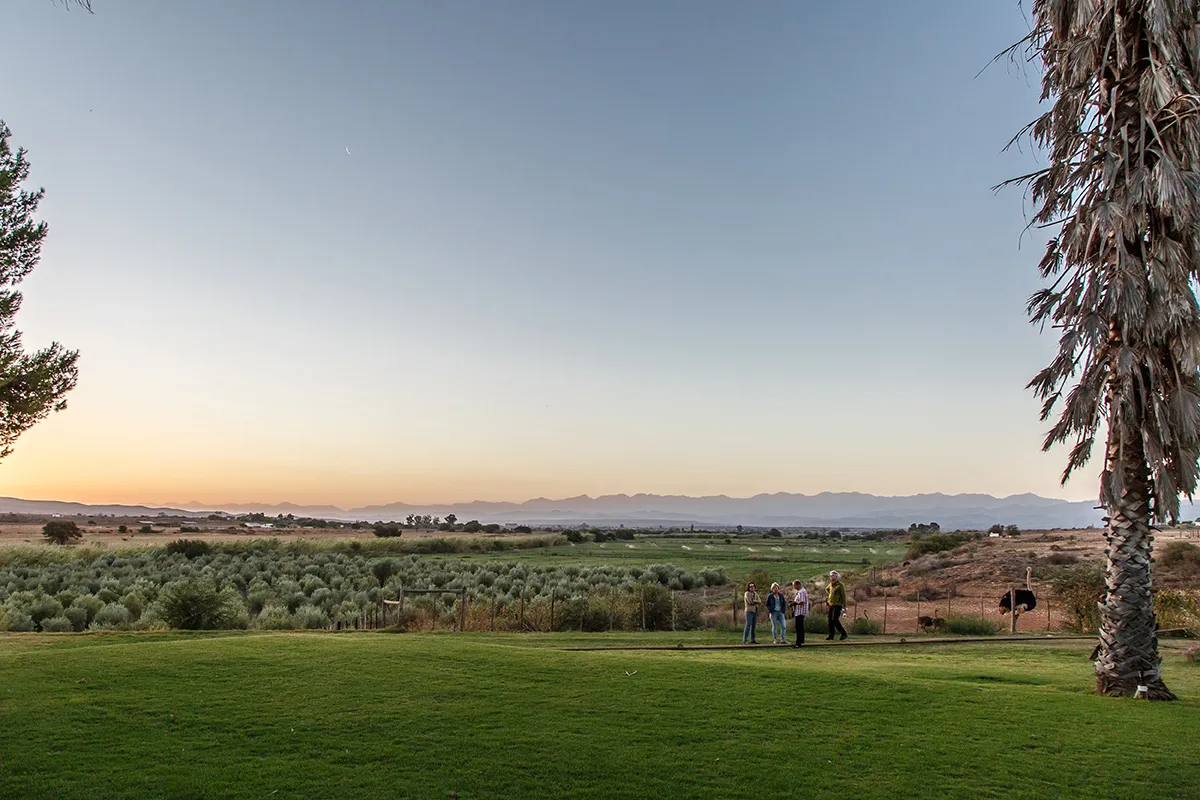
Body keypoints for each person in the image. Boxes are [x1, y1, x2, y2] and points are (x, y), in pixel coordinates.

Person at [826, 570, 848, 641]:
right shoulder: (830, 584)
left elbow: (843, 596)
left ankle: (843, 633)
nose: (831, 577)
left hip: (837, 604)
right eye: (831, 576)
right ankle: (831, 635)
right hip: (831, 604)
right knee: (829, 621)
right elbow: (827, 589)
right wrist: (830, 597)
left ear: (836, 577)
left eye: (833, 575)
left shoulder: (840, 585)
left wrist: (844, 606)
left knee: (835, 620)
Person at [789, 579, 809, 647]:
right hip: (800, 612)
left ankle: (798, 643)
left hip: (800, 612)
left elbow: (802, 602)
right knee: (801, 627)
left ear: (798, 585)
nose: (794, 588)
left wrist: (794, 603)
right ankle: (801, 641)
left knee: (798, 628)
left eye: (794, 586)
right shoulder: (802, 591)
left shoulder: (801, 592)